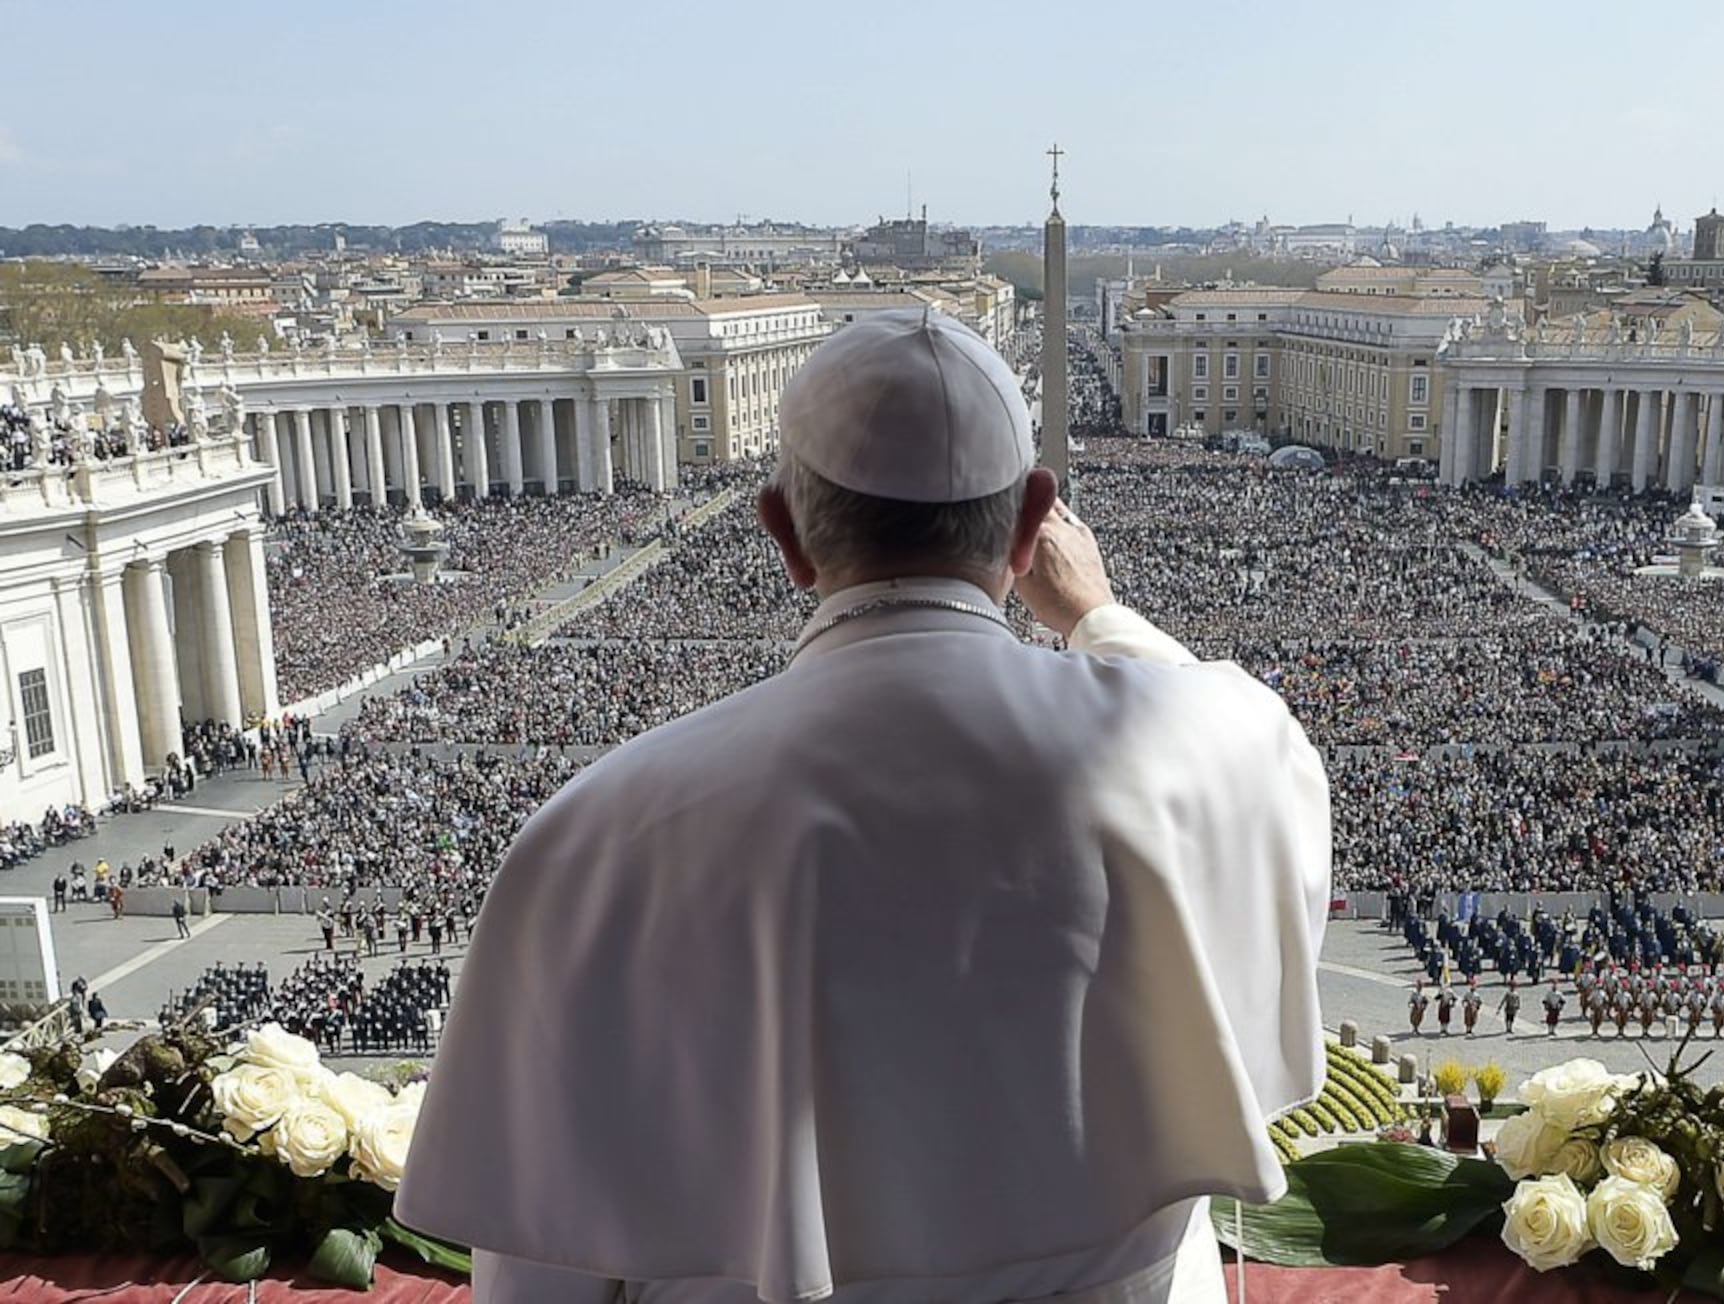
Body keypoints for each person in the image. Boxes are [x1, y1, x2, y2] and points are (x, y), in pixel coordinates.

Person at [397, 314, 1333, 1304]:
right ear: (1031, 525)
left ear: (784, 533)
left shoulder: (600, 830)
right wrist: (1095, 616)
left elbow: (543, 1261)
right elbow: (1237, 741)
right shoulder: (1211, 740)